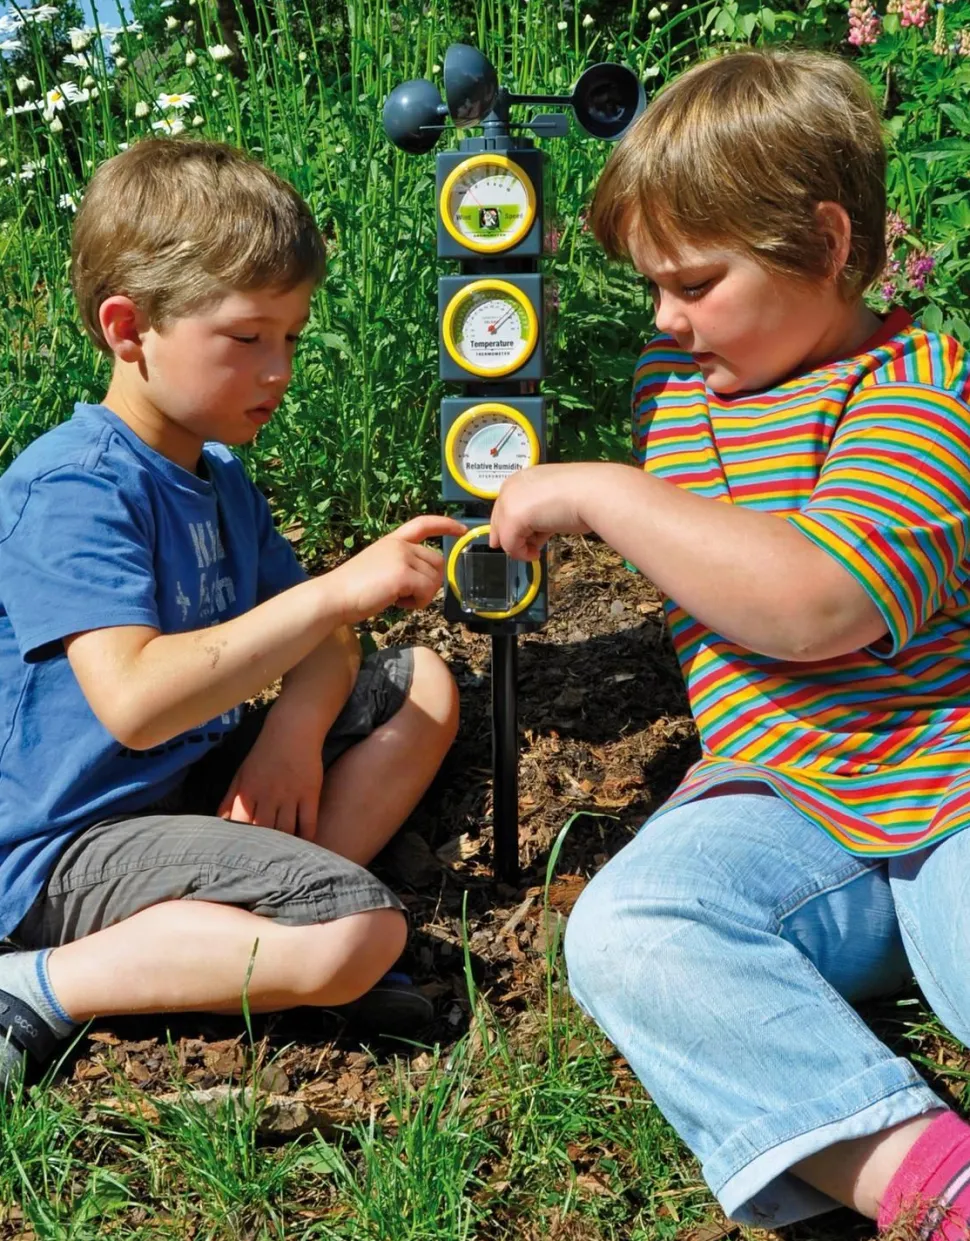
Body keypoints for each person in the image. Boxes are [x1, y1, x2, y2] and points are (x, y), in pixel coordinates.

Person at [489, 49, 970, 1240]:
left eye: (695, 280)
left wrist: (606, 495)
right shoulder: (676, 382)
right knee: (629, 928)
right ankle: (923, 1173)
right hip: (781, 803)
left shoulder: (922, 391)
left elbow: (818, 603)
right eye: (653, 282)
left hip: (950, 784)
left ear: (823, 239)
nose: (664, 314)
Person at [0, 139, 466, 1088]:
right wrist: (336, 589)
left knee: (422, 684)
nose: (279, 370)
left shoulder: (218, 480)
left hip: (179, 788)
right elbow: (133, 702)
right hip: (60, 846)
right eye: (248, 338)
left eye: (291, 338)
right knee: (360, 930)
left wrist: (292, 731)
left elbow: (327, 639)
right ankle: (39, 985)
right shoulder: (73, 488)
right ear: (129, 329)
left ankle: (249, 941)